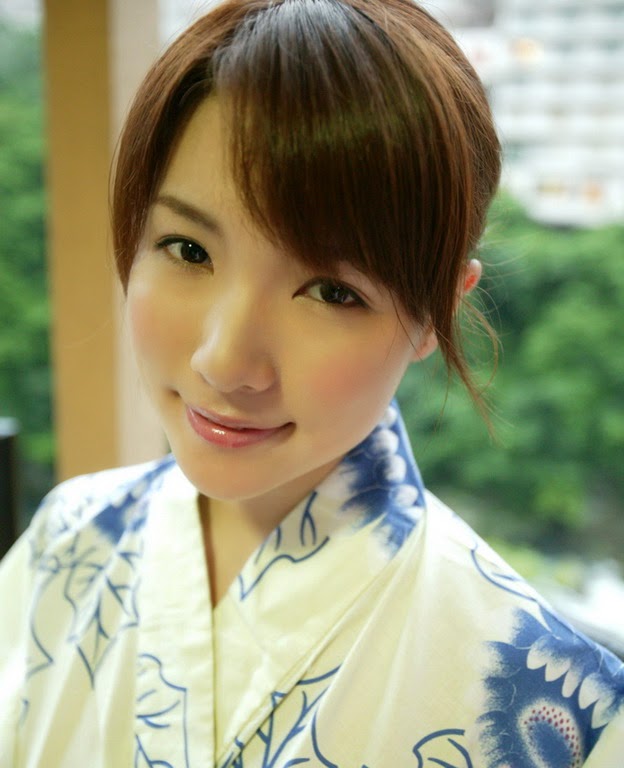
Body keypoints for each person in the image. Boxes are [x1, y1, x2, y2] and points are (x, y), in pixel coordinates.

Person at [1, 0, 623, 765]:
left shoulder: (568, 714)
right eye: (188, 249)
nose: (225, 361)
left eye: (332, 291)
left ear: (437, 314)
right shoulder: (66, 540)